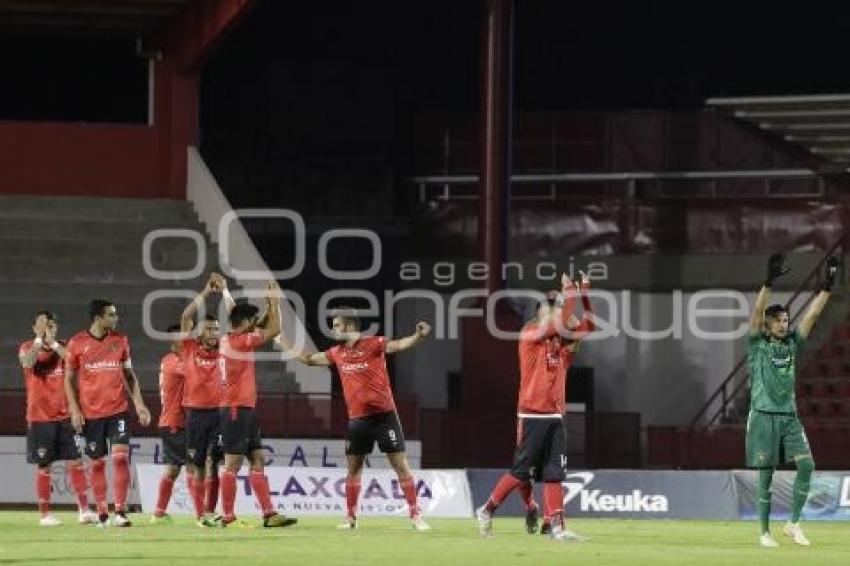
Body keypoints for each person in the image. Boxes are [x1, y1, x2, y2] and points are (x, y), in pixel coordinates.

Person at [276, 306, 433, 530]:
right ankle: (350, 519)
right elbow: (309, 359)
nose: (333, 330)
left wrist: (418, 336)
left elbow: (398, 345)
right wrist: (284, 342)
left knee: (400, 466)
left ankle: (416, 515)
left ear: (350, 326)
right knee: (354, 469)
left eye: (337, 325)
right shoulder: (337, 352)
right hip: (358, 420)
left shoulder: (374, 344)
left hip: (384, 416)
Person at [476, 272, 595, 541]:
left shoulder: (561, 349)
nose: (553, 311)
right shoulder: (529, 335)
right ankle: (486, 510)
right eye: (549, 308)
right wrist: (569, 293)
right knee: (521, 474)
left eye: (556, 307)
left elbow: (590, 326)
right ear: (539, 314)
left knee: (555, 475)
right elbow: (562, 322)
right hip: (531, 414)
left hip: (556, 417)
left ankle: (557, 528)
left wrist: (585, 293)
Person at [747, 254, 835, 548]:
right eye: (780, 321)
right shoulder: (757, 344)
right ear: (769, 325)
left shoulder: (793, 343)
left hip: (788, 417)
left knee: (807, 466)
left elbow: (811, 316)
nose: (785, 324)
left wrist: (827, 288)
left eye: (786, 320)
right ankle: (763, 533)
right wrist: (769, 282)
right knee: (766, 477)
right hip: (763, 415)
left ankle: (793, 524)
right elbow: (757, 312)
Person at [65, 299, 151, 528]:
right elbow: (69, 379)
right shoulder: (76, 343)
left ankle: (121, 511)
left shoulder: (121, 341)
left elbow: (130, 376)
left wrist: (139, 405)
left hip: (118, 410)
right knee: (97, 463)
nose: (116, 318)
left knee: (121, 457)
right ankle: (103, 511)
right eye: (111, 314)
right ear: (98, 318)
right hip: (91, 413)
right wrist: (75, 409)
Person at [217, 280, 296, 528]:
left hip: (245, 408)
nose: (255, 324)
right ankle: (227, 517)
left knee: (257, 459)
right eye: (252, 322)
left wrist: (226, 291)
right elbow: (274, 330)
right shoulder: (238, 343)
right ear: (243, 324)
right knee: (233, 464)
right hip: (234, 408)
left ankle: (269, 515)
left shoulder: (232, 337)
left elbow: (239, 314)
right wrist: (274, 302)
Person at [19, 311, 98, 526]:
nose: (47, 329)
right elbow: (27, 363)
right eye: (43, 325)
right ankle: (45, 514)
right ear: (34, 327)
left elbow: (73, 360)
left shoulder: (64, 346)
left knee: (76, 461)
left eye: (51, 325)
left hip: (64, 415)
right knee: (44, 465)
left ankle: (84, 510)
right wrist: (39, 340)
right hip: (39, 417)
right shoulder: (27, 346)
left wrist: (53, 343)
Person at [150, 324, 189, 523]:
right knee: (193, 465)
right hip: (175, 420)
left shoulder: (169, 360)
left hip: (173, 420)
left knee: (173, 468)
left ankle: (158, 512)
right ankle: (204, 514)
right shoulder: (174, 362)